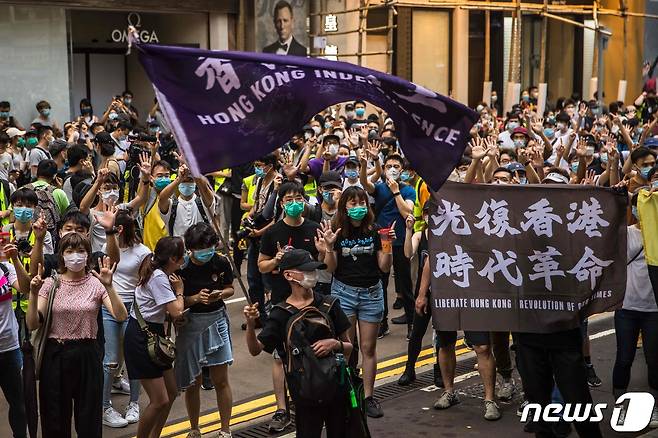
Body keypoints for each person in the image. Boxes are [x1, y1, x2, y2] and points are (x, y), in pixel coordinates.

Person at [26, 233, 128, 438]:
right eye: (69, 251)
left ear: (88, 255)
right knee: (54, 419)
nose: (75, 256)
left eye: (81, 251)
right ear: (61, 256)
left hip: (88, 354)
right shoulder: (50, 284)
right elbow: (33, 323)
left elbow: (120, 315)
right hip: (55, 356)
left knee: (89, 419)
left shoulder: (96, 283)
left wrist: (109, 285)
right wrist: (33, 293)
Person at [244, 248, 353, 438]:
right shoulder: (280, 314)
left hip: (337, 390)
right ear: (288, 275)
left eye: (313, 269)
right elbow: (255, 350)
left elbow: (349, 347)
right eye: (306, 270)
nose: (312, 274)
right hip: (305, 397)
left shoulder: (329, 304)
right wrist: (252, 324)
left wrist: (334, 344)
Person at [320, 186, 393, 418]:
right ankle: (348, 392)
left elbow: (384, 267)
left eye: (362, 203)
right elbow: (330, 268)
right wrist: (330, 247)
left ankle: (369, 396)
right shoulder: (336, 231)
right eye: (353, 204)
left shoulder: (375, 230)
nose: (358, 208)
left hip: (371, 293)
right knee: (347, 348)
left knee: (368, 348)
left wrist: (387, 245)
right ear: (344, 207)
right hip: (344, 293)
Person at [258, 181, 322, 432]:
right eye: (288, 199)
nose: (294, 203)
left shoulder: (314, 227)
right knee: (279, 356)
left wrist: (325, 250)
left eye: (298, 198)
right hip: (282, 301)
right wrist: (276, 259)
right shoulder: (273, 232)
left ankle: (306, 399)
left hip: (309, 300)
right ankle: (281, 409)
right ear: (281, 203)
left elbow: (323, 264)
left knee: (309, 352)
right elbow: (262, 265)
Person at [176, 223, 235, 438]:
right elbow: (177, 302)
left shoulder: (221, 262)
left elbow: (230, 288)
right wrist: (193, 299)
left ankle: (225, 429)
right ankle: (194, 428)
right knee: (193, 381)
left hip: (216, 320)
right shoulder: (181, 268)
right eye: (201, 248)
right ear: (190, 248)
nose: (206, 252)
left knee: (221, 380)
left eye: (210, 246)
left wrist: (219, 294)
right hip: (191, 324)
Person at [123, 237, 185, 438]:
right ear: (174, 258)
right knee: (160, 400)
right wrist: (180, 292)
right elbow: (176, 311)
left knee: (172, 391)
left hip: (152, 334)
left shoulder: (156, 269)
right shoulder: (158, 277)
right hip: (143, 337)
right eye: (181, 257)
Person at [101, 209, 151, 428]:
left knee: (133, 359)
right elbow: (112, 259)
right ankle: (104, 406)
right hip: (110, 306)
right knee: (110, 361)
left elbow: (145, 282)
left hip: (133, 309)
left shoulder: (143, 252)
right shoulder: (108, 246)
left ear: (120, 228)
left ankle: (134, 404)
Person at [612, 192, 658, 426]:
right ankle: (620, 405)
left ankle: (654, 407)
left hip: (654, 310)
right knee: (624, 357)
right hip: (627, 307)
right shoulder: (628, 234)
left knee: (654, 359)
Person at [360, 153, 415, 338]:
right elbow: (365, 184)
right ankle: (382, 323)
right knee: (381, 283)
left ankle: (411, 321)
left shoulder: (408, 190)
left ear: (402, 170)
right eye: (389, 166)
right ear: (384, 170)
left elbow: (407, 211)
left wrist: (396, 191)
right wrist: (364, 164)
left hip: (400, 241)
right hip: (383, 241)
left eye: (396, 166)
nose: (392, 169)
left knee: (405, 283)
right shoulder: (380, 188)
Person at [0, 241, 30, 438]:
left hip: (9, 348)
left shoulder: (5, 268)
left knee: (19, 404)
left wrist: (15, 260)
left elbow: (25, 287)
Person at [158, 163, 215, 238]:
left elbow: (205, 189)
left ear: (195, 182)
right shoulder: (172, 206)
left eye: (190, 180)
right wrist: (179, 179)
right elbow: (162, 199)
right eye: (183, 181)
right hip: (178, 249)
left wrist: (195, 173)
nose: (187, 183)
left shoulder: (203, 203)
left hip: (201, 248)